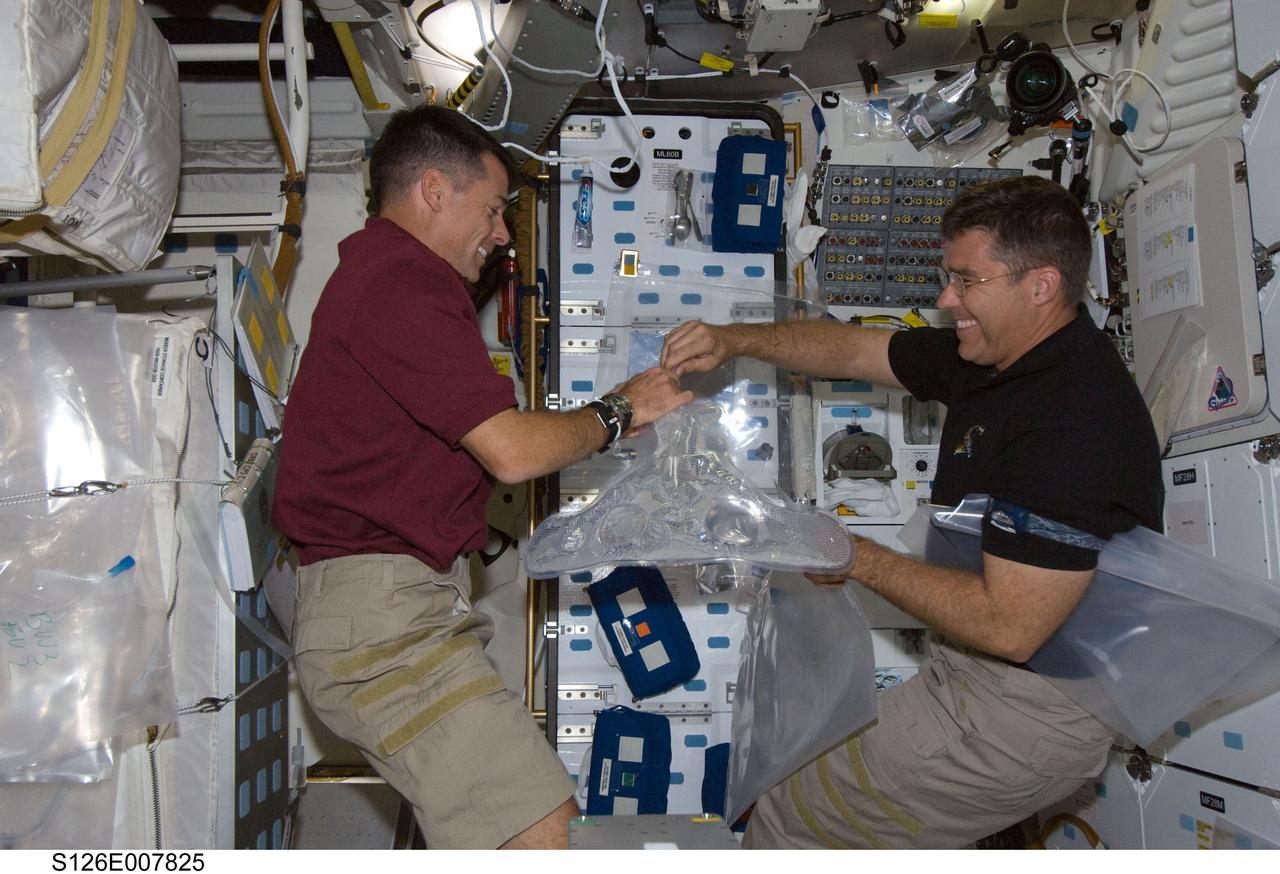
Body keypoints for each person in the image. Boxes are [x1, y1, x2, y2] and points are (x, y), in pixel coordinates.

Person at [660, 175, 1163, 848]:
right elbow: (858, 349)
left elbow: (1009, 625)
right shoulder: (998, 357)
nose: (945, 299)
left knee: (790, 817)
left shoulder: (1074, 420)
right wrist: (735, 339)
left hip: (1023, 713)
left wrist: (855, 555)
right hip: (980, 683)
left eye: (965, 281)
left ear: (1040, 285)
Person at [272, 106, 692, 849]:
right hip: (384, 623)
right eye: (494, 209)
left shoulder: (381, 279)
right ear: (435, 191)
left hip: (392, 610)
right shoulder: (403, 280)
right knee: (539, 838)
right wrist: (622, 409)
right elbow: (511, 451)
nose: (501, 234)